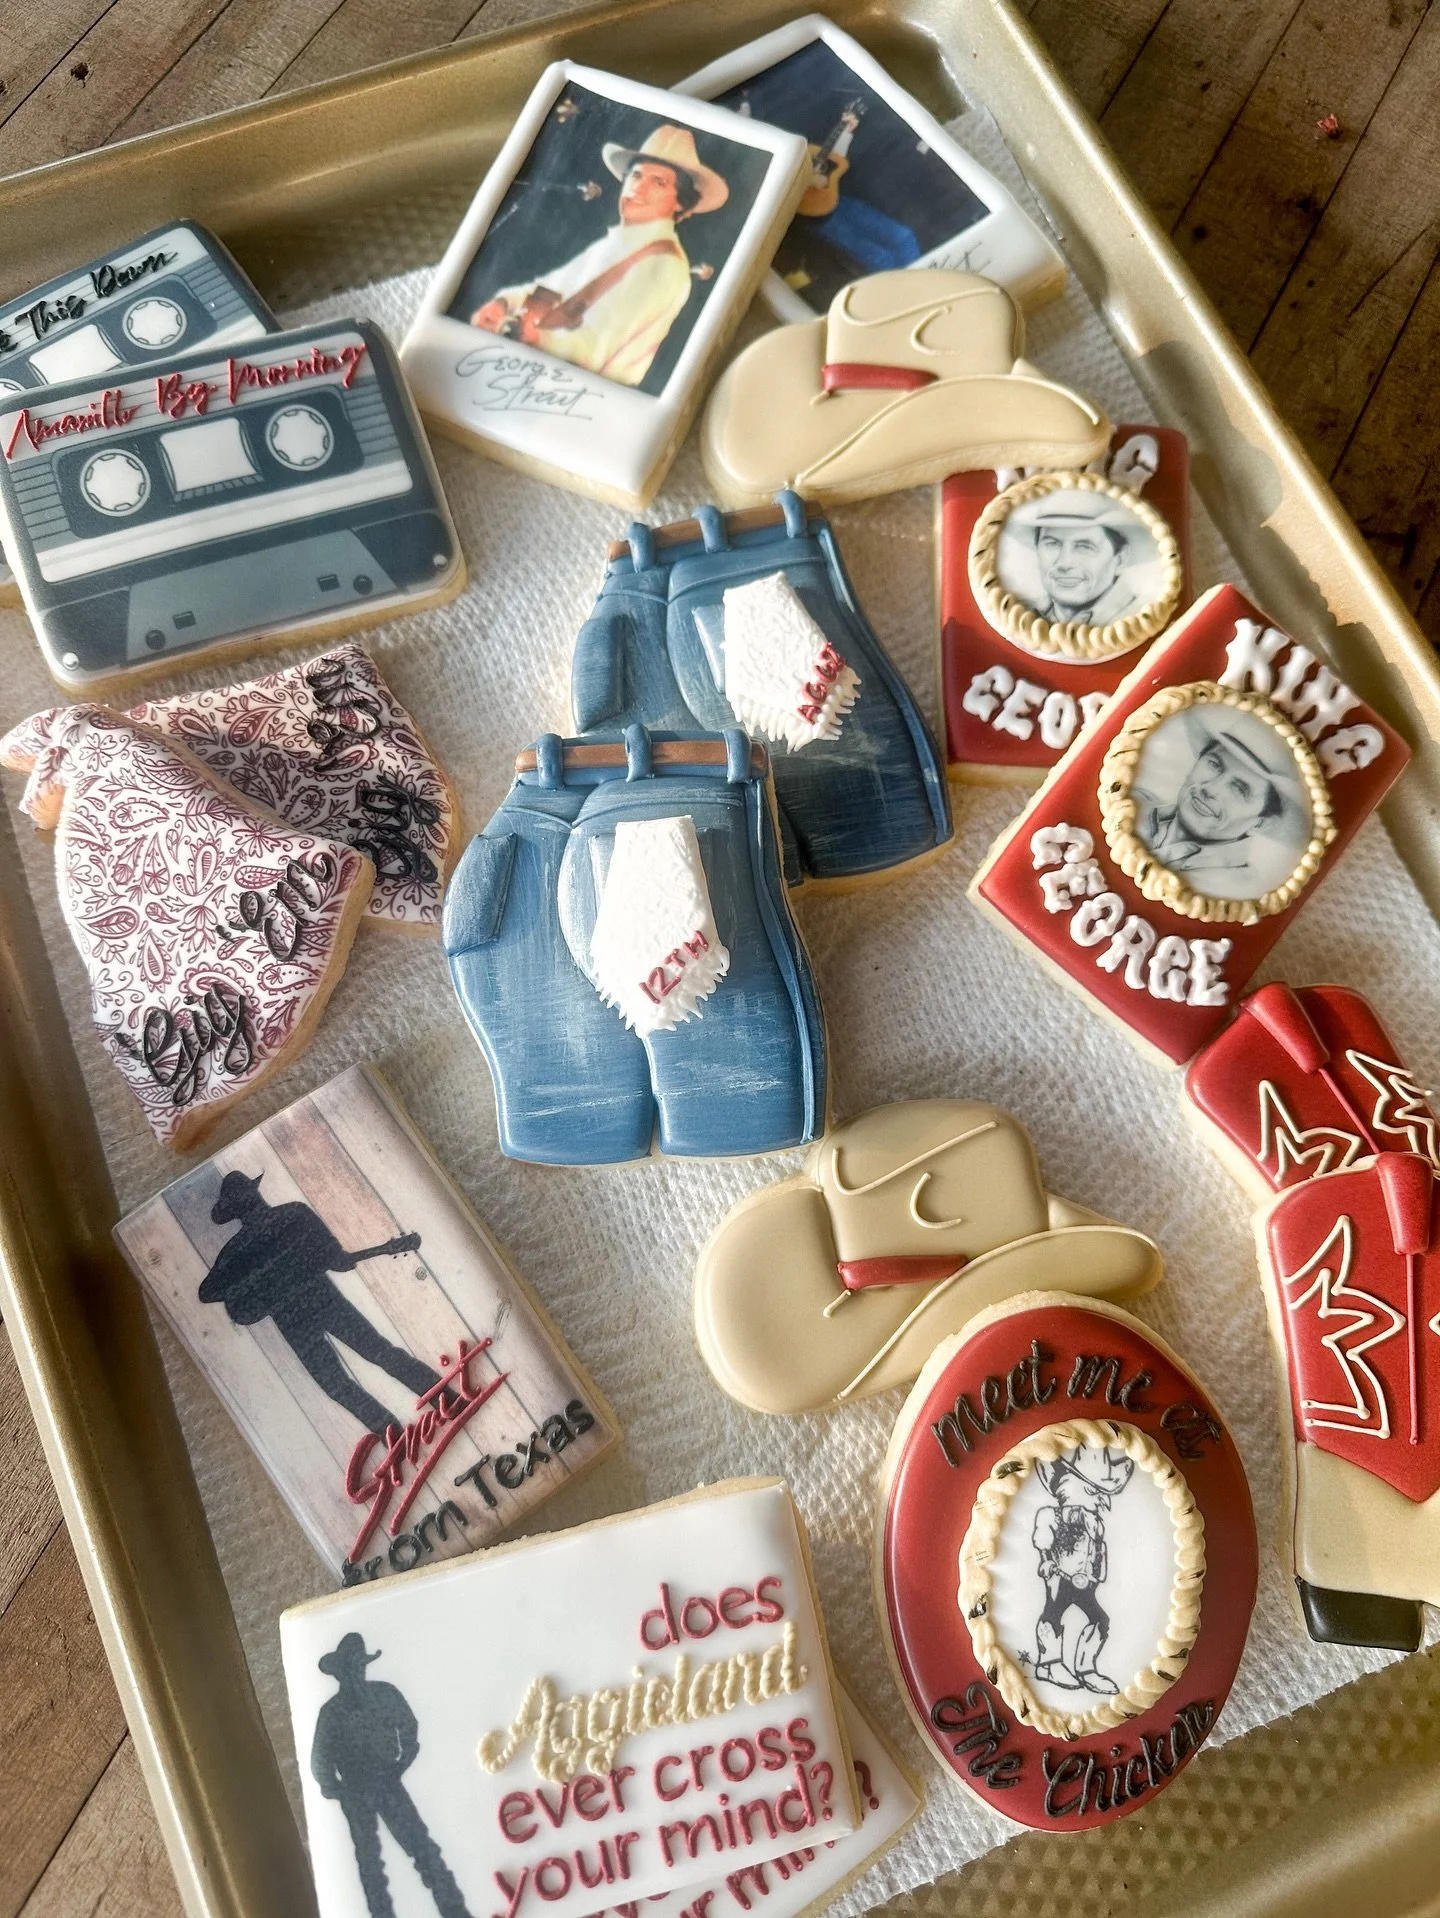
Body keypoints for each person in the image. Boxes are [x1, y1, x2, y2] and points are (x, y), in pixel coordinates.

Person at [469, 123, 727, 387]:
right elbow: (548, 290)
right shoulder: (617, 243)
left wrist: (534, 336)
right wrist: (503, 304)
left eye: (658, 182)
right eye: (636, 176)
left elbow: (593, 348)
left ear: (680, 201)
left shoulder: (665, 265)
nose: (639, 188)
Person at [199, 1167, 440, 1435]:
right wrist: (260, 1274)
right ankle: (443, 1401)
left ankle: (391, 1434)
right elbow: (338, 1260)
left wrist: (255, 1277)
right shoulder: (293, 1215)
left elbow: (208, 1292)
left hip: (295, 1318)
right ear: (253, 1195)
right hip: (321, 1303)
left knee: (337, 1383)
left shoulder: (240, 1246)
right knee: (377, 1354)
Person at [311, 1633, 473, 1918]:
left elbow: (409, 1724)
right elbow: (320, 1758)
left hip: (387, 1780)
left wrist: (403, 1760)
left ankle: (455, 1910)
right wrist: (334, 1788)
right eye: (350, 1668)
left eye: (358, 1666)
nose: (355, 1673)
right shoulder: (332, 1712)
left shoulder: (385, 1693)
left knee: (421, 1847)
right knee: (370, 1862)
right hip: (355, 1789)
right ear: (340, 1674)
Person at [1132, 709, 1311, 899]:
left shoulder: (1239, 893)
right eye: (1214, 765)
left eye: (1239, 789)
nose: (1211, 789)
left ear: (1260, 822)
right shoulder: (1132, 806)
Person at [1030, 1444, 1134, 1695]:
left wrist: (1097, 1574)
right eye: (1092, 1490)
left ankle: (1086, 1668)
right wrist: (1047, 1561)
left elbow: (1095, 1551)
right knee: (1053, 1614)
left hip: (1084, 1580)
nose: (1099, 1498)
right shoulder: (1053, 1515)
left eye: (1101, 1492)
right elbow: (1043, 1539)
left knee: (1099, 1619)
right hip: (1059, 1575)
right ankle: (1048, 1664)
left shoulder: (1094, 1522)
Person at [1028, 494, 1143, 625]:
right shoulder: (1023, 610)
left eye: (1084, 547)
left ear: (1120, 559)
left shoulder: (1138, 615)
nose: (1065, 563)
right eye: (1052, 544)